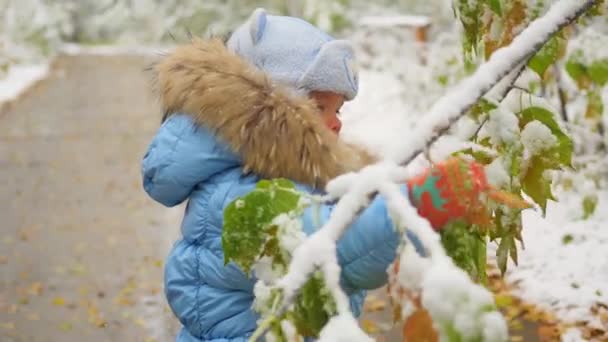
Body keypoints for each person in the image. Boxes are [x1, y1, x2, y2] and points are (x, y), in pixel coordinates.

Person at [142, 8, 491, 341]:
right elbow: (332, 245)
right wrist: (412, 204)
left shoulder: (271, 177)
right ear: (269, 111)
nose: (337, 121)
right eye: (320, 107)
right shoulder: (238, 196)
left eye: (338, 109)